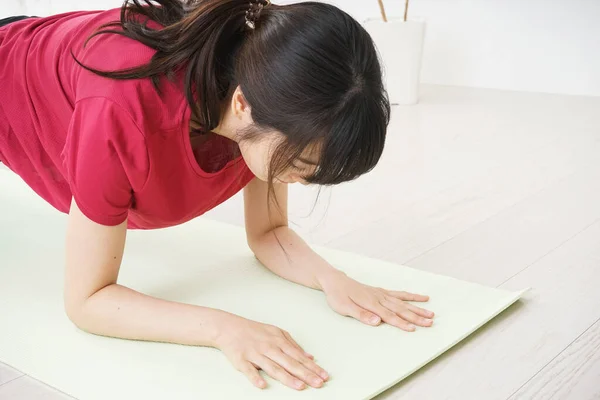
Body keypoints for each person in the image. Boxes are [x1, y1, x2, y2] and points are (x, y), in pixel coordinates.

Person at [0, 0, 435, 390]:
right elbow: (87, 300)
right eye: (301, 165)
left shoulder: (273, 92)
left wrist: (335, 281)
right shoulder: (122, 113)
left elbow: (269, 232)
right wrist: (223, 329)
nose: (301, 180)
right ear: (244, 105)